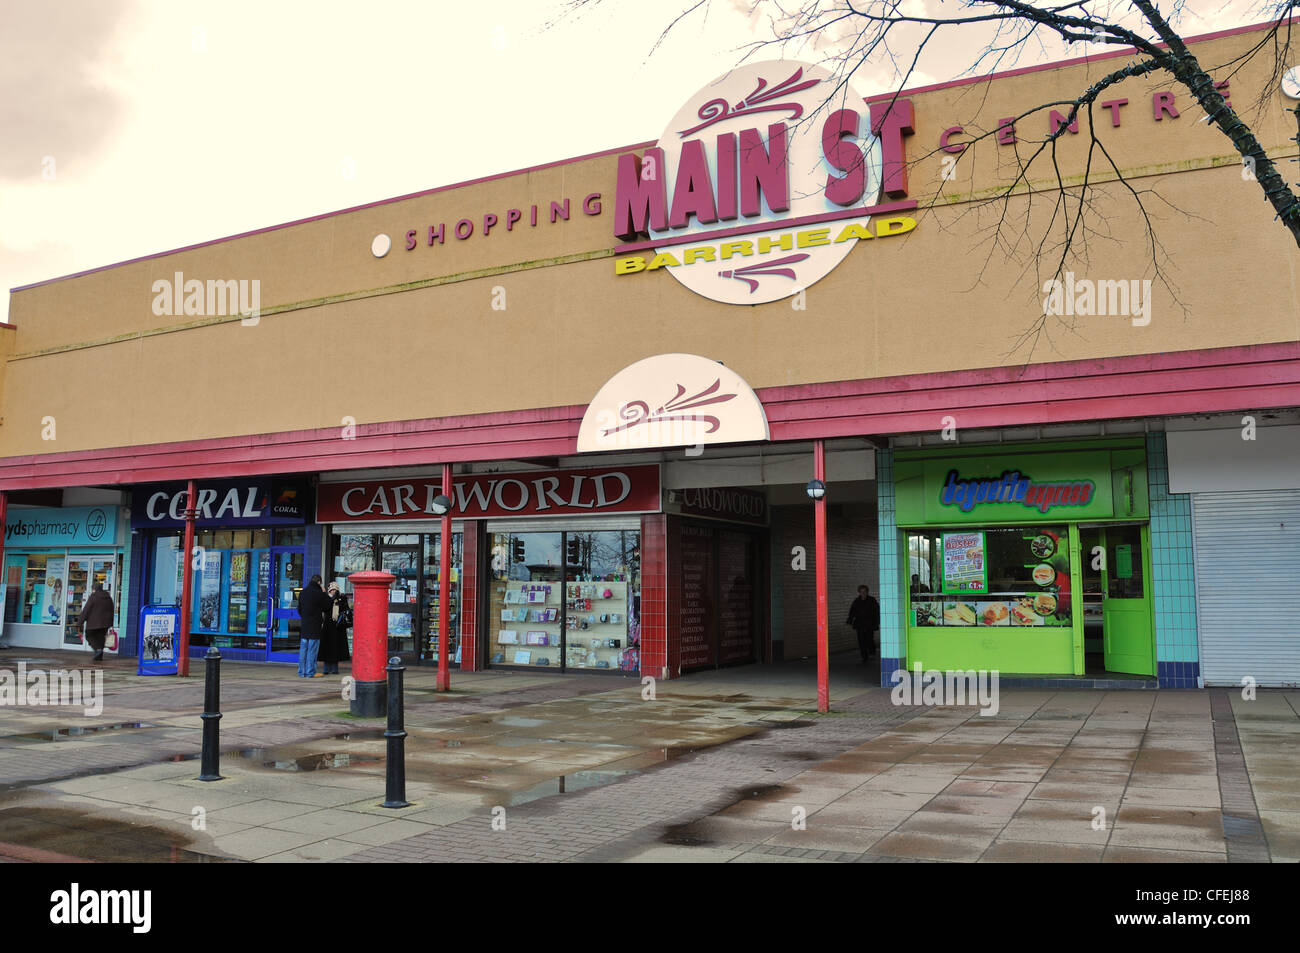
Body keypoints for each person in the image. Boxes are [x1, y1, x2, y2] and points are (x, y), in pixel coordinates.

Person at [297, 574, 328, 678]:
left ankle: (302, 672)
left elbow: (299, 609)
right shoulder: (318, 593)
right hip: (315, 626)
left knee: (303, 650)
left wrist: (305, 618)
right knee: (312, 650)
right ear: (319, 582)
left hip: (305, 625)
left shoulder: (303, 592)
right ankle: (310, 672)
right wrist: (324, 593)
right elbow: (327, 607)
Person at [320, 582, 352, 675]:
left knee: (336, 649)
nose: (333, 591)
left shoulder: (341, 599)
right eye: (332, 590)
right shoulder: (326, 598)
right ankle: (326, 668)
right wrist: (332, 600)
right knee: (327, 648)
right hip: (328, 626)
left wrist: (342, 600)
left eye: (335, 590)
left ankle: (334, 668)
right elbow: (325, 608)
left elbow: (345, 610)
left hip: (338, 626)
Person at [78, 581, 115, 662]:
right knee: (101, 638)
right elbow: (112, 610)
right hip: (106, 623)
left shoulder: (93, 597)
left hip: (93, 623)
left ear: (94, 589)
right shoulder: (108, 597)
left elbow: (86, 610)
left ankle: (98, 650)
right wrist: (111, 622)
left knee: (89, 635)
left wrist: (80, 622)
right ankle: (99, 657)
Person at [846, 584, 880, 663]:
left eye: (864, 592)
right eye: (861, 592)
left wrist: (876, 622)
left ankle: (872, 652)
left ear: (867, 592)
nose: (863, 593)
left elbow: (876, 612)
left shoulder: (872, 600)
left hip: (870, 624)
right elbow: (852, 612)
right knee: (861, 640)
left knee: (869, 639)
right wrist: (850, 620)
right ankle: (864, 656)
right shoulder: (856, 601)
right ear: (859, 592)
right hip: (860, 624)